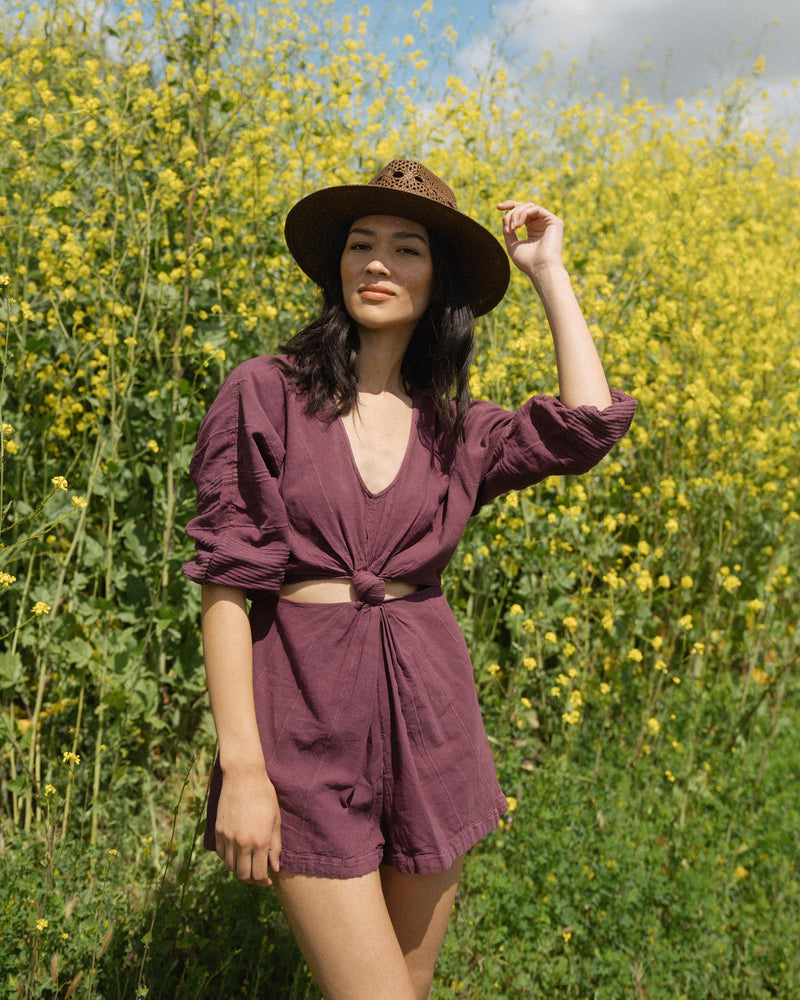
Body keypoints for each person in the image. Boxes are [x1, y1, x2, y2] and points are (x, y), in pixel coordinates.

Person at [183, 159, 636, 1000]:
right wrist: (242, 765)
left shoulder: (457, 427)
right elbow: (225, 581)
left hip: (432, 722)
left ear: (440, 282)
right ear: (337, 268)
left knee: (410, 987)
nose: (379, 264)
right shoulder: (265, 391)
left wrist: (549, 272)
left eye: (406, 249)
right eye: (361, 245)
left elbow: (584, 429)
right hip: (304, 728)